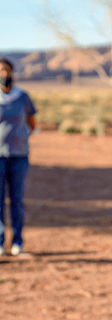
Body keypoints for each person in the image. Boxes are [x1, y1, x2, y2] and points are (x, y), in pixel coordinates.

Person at [0, 58, 36, 256]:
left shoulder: (23, 97)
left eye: (6, 70)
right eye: (0, 71)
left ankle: (17, 241)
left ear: (12, 72)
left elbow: (31, 121)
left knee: (17, 199)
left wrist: (20, 138)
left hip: (19, 156)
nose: (4, 74)